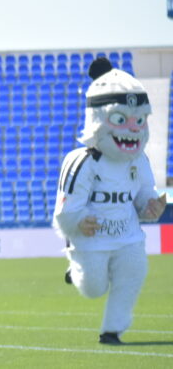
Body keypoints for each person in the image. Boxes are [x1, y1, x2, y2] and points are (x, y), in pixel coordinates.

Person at [53, 57, 166, 344]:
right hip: (92, 238)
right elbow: (66, 210)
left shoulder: (139, 159)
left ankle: (112, 330)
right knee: (94, 289)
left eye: (139, 120)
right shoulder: (82, 161)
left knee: (134, 272)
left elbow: (143, 194)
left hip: (127, 235)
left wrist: (151, 206)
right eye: (120, 119)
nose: (133, 129)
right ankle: (76, 268)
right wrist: (79, 222)